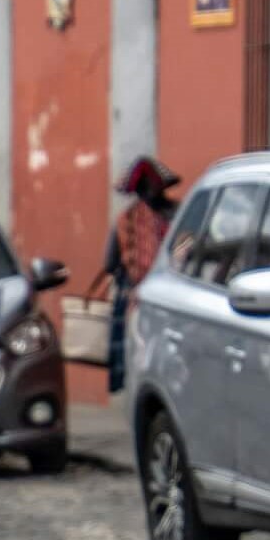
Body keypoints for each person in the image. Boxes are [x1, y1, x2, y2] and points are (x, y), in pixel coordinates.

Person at [105, 156, 179, 394]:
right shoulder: (180, 215)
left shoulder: (125, 220)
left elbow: (108, 263)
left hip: (138, 302)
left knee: (140, 359)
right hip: (174, 301)